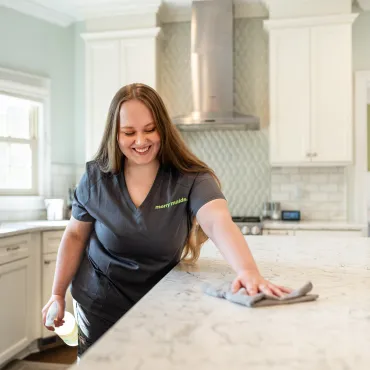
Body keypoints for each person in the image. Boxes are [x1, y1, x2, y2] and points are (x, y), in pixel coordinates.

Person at [42, 83, 291, 359]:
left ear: (163, 128)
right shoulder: (96, 177)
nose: (140, 141)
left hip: (161, 300)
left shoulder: (189, 176)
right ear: (115, 134)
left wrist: (247, 271)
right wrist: (57, 293)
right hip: (100, 302)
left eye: (150, 129)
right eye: (129, 132)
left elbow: (217, 221)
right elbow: (75, 236)